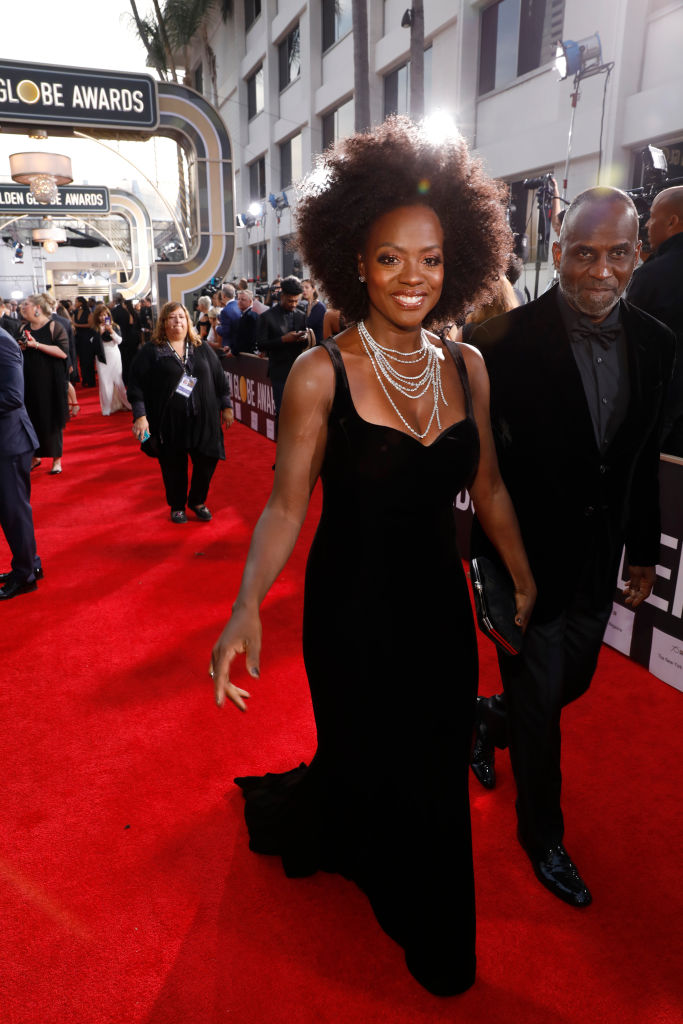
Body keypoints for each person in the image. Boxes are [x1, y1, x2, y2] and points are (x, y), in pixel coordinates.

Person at [209, 116, 536, 997]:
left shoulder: (467, 366)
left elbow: (493, 490)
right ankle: (363, 848)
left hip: (436, 608)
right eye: (390, 258)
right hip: (348, 611)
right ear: (355, 260)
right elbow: (284, 507)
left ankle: (430, 925)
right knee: (366, 752)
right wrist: (244, 607)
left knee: (430, 761)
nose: (412, 277)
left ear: (457, 260)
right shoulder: (320, 372)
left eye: (430, 258)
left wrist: (523, 574)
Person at [469, 187, 675, 909]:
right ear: (555, 255)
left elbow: (640, 456)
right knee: (538, 706)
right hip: (518, 566)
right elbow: (483, 472)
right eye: (581, 253)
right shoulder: (498, 344)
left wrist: (643, 550)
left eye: (616, 253)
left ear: (635, 255)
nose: (598, 270)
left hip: (596, 561)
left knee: (566, 688)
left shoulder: (657, 343)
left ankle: (483, 719)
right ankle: (541, 837)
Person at [127, 301, 234, 523]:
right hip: (169, 421)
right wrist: (140, 416)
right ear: (163, 322)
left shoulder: (201, 347)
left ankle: (197, 500)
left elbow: (219, 377)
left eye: (182, 317)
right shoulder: (152, 351)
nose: (178, 321)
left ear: (189, 321)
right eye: (172, 317)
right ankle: (177, 505)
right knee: (173, 465)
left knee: (208, 459)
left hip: (204, 419)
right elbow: (135, 385)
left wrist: (227, 405)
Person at [627, 185, 683, 455]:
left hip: (660, 410)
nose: (647, 224)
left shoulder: (652, 276)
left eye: (652, 216)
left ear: (672, 221)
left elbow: (627, 346)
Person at [0, 325, 42, 600]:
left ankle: (25, 574)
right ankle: (30, 564)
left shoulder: (3, 344)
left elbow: (13, 396)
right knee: (12, 512)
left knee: (14, 512)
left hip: (10, 441)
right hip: (8, 440)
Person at [18, 295, 69, 475]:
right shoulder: (24, 327)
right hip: (29, 379)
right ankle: (35, 456)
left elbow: (63, 353)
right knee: (31, 418)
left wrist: (36, 344)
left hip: (51, 381)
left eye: (26, 304)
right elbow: (23, 350)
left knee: (52, 418)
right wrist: (23, 346)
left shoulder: (55, 326)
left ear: (38, 307)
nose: (22, 307)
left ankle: (57, 460)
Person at [255, 275, 308, 423]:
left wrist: (306, 339)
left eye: (297, 301)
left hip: (299, 371)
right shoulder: (267, 317)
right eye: (290, 300)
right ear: (282, 296)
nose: (293, 304)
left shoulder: (301, 315)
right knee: (283, 413)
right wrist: (283, 340)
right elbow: (261, 344)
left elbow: (305, 345)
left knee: (300, 412)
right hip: (279, 372)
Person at [89, 303, 131, 417]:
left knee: (118, 381)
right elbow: (92, 342)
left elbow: (119, 341)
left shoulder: (115, 326)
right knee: (104, 382)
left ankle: (126, 403)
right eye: (101, 315)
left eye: (105, 315)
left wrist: (111, 331)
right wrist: (100, 333)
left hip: (114, 355)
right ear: (97, 316)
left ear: (108, 315)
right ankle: (107, 408)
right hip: (102, 356)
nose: (103, 317)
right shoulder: (95, 328)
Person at [72, 296, 96, 386]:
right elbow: (73, 322)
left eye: (76, 301)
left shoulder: (88, 312)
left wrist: (77, 325)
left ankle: (90, 380)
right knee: (81, 360)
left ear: (81, 303)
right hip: (78, 338)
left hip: (87, 337)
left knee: (88, 359)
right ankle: (84, 379)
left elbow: (91, 324)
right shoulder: (76, 312)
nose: (75, 303)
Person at [231, 290, 259, 355]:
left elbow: (247, 339)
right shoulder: (245, 314)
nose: (239, 301)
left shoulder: (250, 316)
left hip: (248, 355)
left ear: (250, 301)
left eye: (243, 299)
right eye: (238, 299)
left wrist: (234, 351)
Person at [215, 285, 240, 352]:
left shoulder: (225, 311)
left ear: (223, 296)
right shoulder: (239, 305)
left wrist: (217, 327)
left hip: (229, 348)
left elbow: (226, 332)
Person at [302, 278, 326, 343]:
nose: (303, 290)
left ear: (313, 289)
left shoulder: (320, 307)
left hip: (318, 345)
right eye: (302, 288)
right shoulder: (305, 306)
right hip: (308, 345)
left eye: (306, 287)